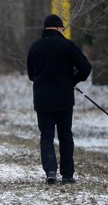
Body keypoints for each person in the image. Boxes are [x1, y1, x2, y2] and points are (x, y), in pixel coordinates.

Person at [26, 13, 92, 185]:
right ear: (57, 28)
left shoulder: (34, 47)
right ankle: (68, 175)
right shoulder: (67, 46)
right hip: (64, 100)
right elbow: (86, 68)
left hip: (43, 100)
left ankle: (50, 171)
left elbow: (31, 75)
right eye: (62, 28)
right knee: (65, 135)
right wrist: (72, 80)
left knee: (46, 135)